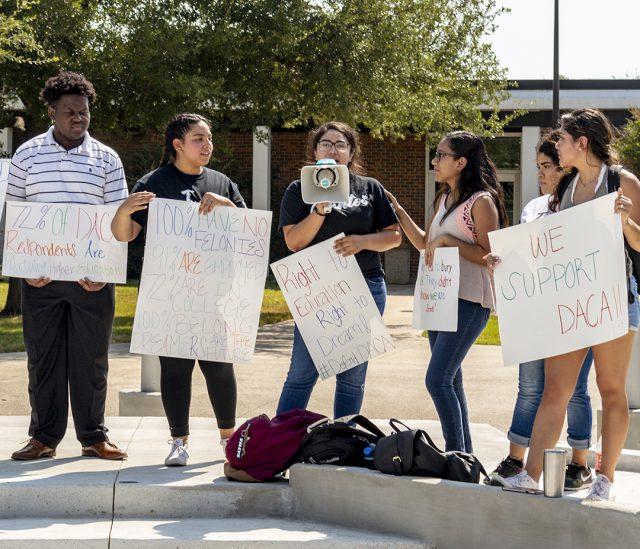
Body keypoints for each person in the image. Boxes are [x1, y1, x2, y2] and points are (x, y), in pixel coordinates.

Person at [503, 109, 640, 500]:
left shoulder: (622, 182)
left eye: (561, 140)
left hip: (613, 299)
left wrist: (626, 222)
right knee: (554, 390)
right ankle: (531, 474)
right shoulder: (565, 189)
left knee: (610, 389)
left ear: (582, 142)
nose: (556, 147)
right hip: (572, 301)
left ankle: (606, 478)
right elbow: (553, 246)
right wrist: (510, 262)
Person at [111, 113, 245, 466]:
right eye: (199, 139)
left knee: (219, 366)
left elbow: (248, 232)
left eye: (209, 138)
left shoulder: (222, 182)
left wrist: (228, 206)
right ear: (178, 145)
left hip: (214, 293)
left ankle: (228, 440)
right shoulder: (154, 184)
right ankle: (179, 441)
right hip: (170, 295)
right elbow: (124, 235)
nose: (208, 145)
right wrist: (124, 209)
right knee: (175, 370)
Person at [8, 71, 129, 460]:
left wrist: (105, 271)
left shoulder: (108, 158)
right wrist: (24, 266)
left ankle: (94, 436)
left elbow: (118, 220)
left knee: (92, 360)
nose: (79, 118)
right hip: (40, 279)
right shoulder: (26, 155)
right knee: (42, 359)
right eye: (71, 112)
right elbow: (14, 216)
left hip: (91, 280)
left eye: (84, 112)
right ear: (51, 112)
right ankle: (43, 437)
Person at [484, 132, 595, 490]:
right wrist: (501, 262)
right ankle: (516, 458)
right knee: (529, 387)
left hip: (574, 310)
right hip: (535, 312)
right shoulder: (534, 208)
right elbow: (523, 253)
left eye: (548, 167)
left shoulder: (584, 205)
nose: (542, 175)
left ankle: (580, 462)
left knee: (575, 389)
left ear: (566, 168)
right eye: (538, 168)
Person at [387, 131, 507, 453]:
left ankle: (455, 456)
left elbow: (490, 255)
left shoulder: (481, 202)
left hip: (469, 301)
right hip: (439, 299)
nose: (434, 161)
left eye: (440, 155)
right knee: (451, 380)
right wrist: (398, 210)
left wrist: (450, 242)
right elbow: (427, 244)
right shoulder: (442, 200)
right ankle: (464, 457)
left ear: (461, 162)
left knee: (437, 380)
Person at [276, 121, 401, 418]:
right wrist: (319, 209)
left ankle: (344, 439)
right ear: (315, 150)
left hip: (365, 288)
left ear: (351, 152)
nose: (333, 150)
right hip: (317, 292)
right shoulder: (299, 190)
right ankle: (278, 442)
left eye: (340, 145)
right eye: (326, 144)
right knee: (302, 372)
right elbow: (294, 242)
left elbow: (394, 236)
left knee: (352, 378)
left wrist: (362, 241)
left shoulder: (370, 188)